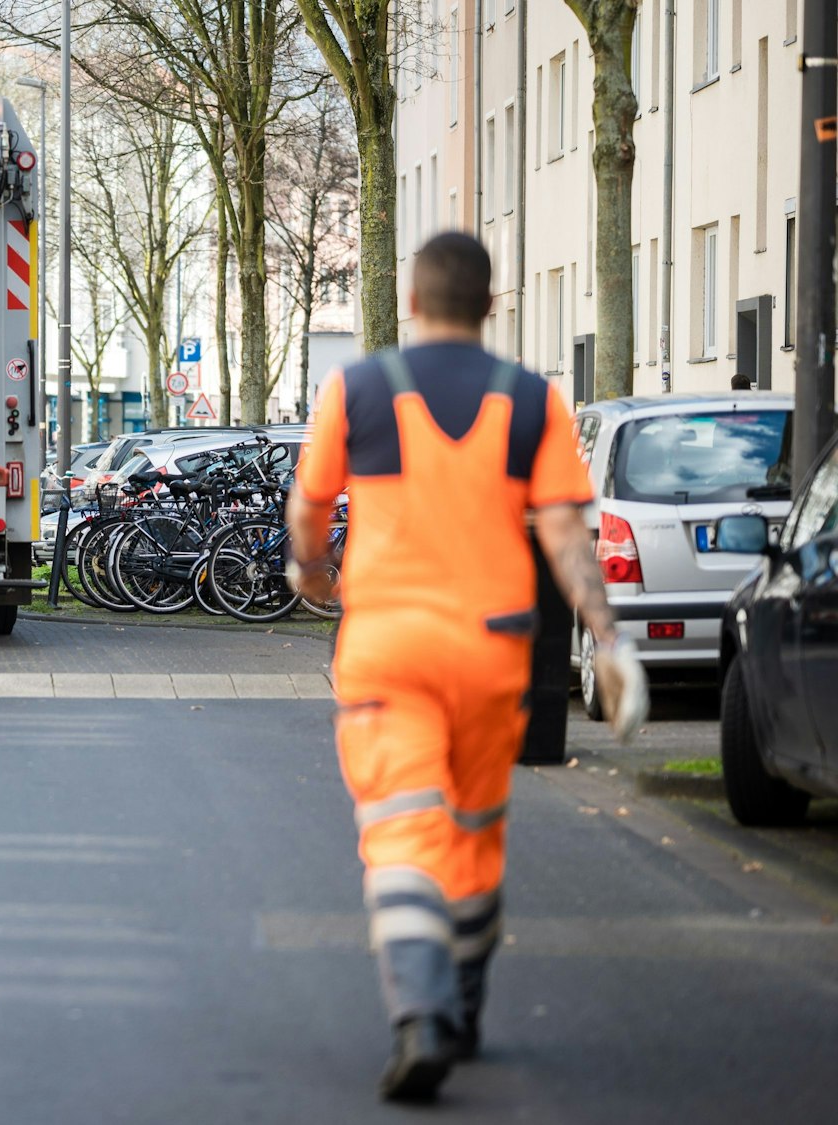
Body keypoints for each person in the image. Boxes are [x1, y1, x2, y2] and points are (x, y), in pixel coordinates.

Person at [285, 232, 645, 1103]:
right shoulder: (532, 402)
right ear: (491, 307)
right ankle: (468, 1000)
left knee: (405, 826)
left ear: (410, 301)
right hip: (494, 653)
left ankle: (422, 1011)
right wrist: (607, 638)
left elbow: (310, 506)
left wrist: (315, 575)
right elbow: (565, 532)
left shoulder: (358, 388)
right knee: (475, 829)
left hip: (387, 651)